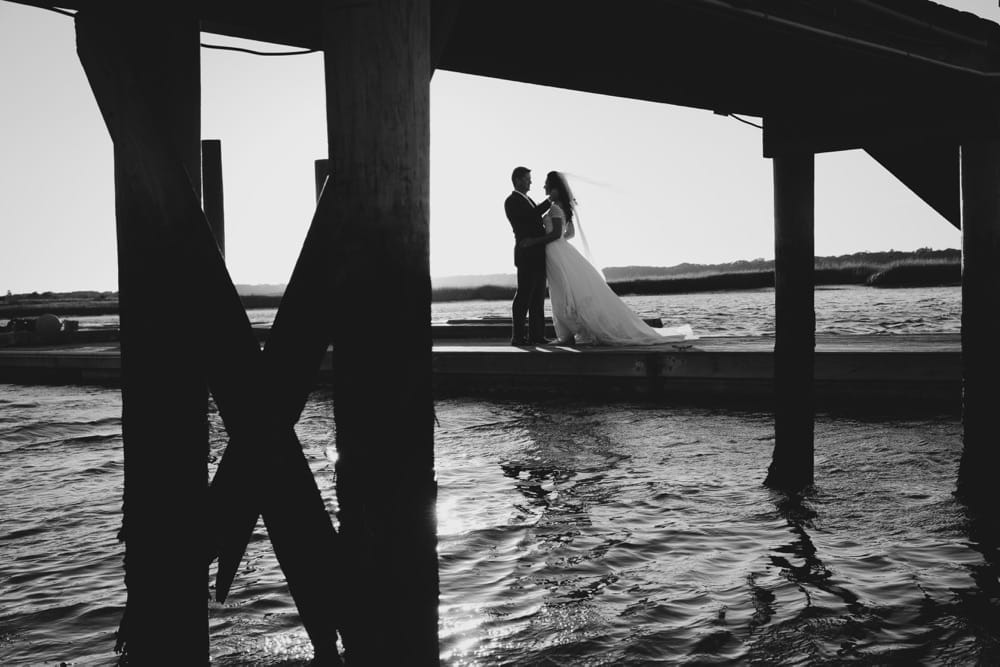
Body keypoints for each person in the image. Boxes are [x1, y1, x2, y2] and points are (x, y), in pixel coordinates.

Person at [538, 170, 696, 346]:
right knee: (565, 290)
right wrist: (560, 241)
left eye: (546, 184)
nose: (544, 187)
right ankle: (569, 333)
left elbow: (556, 233)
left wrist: (537, 241)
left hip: (554, 252)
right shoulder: (563, 207)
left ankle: (566, 336)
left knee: (561, 291)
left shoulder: (554, 208)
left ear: (554, 188)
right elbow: (570, 233)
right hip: (561, 250)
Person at [504, 166, 553, 345]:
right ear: (517, 180)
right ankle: (517, 336)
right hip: (526, 254)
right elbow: (530, 216)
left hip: (538, 254)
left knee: (538, 298)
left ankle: (537, 335)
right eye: (527, 179)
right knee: (524, 296)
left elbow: (535, 217)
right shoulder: (511, 201)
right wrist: (550, 201)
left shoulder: (528, 199)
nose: (531, 182)